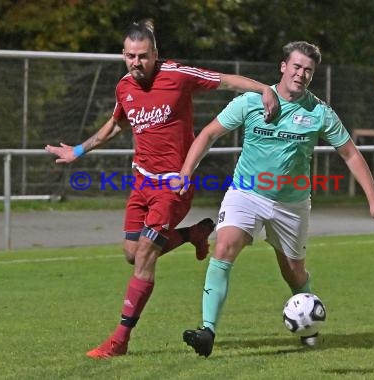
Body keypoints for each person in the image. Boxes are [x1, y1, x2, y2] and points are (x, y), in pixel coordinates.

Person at [45, 19, 279, 359]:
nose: (136, 63)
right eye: (130, 56)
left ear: (155, 54)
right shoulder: (124, 86)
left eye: (142, 56)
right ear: (123, 55)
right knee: (130, 252)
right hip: (141, 182)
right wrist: (78, 151)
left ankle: (119, 341)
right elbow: (116, 124)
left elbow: (225, 81)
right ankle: (193, 234)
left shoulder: (178, 75)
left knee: (144, 256)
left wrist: (265, 89)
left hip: (174, 185)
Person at [173, 41, 374, 357]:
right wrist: (185, 172)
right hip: (246, 193)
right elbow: (209, 134)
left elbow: (350, 154)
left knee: (293, 272)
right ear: (283, 66)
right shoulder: (251, 102)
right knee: (223, 247)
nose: (301, 74)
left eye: (308, 70)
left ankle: (308, 322)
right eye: (297, 66)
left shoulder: (318, 112)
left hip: (291, 205)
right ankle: (207, 331)